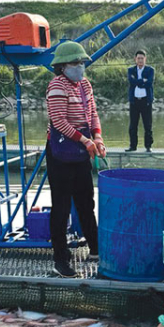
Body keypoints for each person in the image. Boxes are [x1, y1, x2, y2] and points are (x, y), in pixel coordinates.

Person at [45, 41, 106, 278]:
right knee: (60, 206)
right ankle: (61, 259)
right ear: (62, 66)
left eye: (81, 63)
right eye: (74, 63)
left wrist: (98, 137)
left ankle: (95, 248)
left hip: (81, 150)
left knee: (86, 200)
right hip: (61, 153)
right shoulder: (56, 86)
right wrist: (85, 140)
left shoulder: (85, 85)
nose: (79, 67)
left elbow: (92, 114)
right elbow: (59, 121)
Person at [126, 50, 154, 152]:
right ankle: (133, 146)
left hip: (146, 101)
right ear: (135, 59)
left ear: (145, 59)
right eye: (138, 58)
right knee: (133, 125)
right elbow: (131, 82)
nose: (140, 60)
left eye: (142, 58)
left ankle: (148, 146)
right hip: (134, 101)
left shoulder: (150, 70)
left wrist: (138, 82)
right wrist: (142, 81)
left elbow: (149, 83)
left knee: (148, 125)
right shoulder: (131, 70)